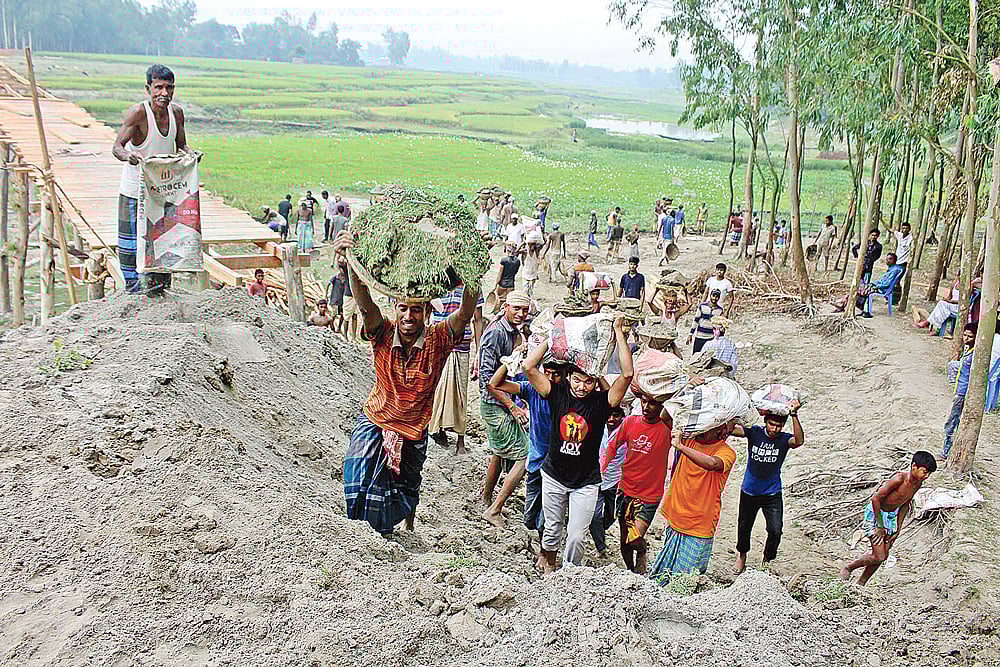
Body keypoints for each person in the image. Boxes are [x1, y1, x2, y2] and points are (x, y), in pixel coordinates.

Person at [333, 230, 483, 536]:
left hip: (414, 427)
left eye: (417, 309)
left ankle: (408, 525)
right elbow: (364, 306)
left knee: (408, 485)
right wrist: (350, 262)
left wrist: (474, 266)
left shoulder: (440, 340)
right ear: (395, 310)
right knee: (356, 472)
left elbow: (466, 312)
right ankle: (358, 531)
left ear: (428, 312)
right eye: (403, 308)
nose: (409, 316)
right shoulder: (383, 333)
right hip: (377, 417)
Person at [523, 317, 634, 573]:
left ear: (595, 382)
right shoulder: (557, 393)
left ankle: (571, 575)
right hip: (553, 475)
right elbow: (529, 367)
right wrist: (553, 336)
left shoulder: (600, 402)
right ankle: (548, 561)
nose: (581, 387)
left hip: (586, 481)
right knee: (551, 529)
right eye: (576, 380)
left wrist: (619, 332)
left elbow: (627, 374)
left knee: (575, 536)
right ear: (568, 376)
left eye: (588, 382)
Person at [113, 64, 190, 294]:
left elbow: (181, 145)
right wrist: (129, 156)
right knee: (132, 245)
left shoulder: (177, 114)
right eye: (158, 88)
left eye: (169, 88)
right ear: (148, 89)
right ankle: (133, 293)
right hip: (135, 191)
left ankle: (159, 290)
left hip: (163, 192)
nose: (164, 94)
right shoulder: (138, 114)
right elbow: (117, 147)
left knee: (163, 242)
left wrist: (190, 155)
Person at [649, 420, 737, 581]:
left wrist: (681, 447)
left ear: (720, 429)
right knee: (665, 573)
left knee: (686, 580)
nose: (701, 428)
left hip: (699, 524)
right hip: (676, 515)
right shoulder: (690, 439)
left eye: (708, 424)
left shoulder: (726, 452)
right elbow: (665, 416)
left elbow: (712, 463)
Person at [489, 358, 567, 540]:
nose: (550, 378)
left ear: (564, 376)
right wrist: (511, 361)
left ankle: (544, 549)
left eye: (556, 375)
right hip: (537, 460)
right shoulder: (532, 389)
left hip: (558, 465)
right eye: (546, 373)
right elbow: (496, 384)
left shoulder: (567, 394)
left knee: (547, 516)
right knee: (530, 516)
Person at [839, 451, 937, 585]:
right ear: (914, 466)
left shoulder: (917, 484)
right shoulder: (899, 479)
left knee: (883, 555)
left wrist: (898, 528)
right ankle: (849, 567)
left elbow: (905, 505)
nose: (926, 476)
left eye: (929, 474)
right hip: (876, 513)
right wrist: (879, 526)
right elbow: (876, 498)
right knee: (879, 555)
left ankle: (861, 583)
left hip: (891, 517)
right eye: (924, 472)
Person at [729, 400, 804, 573]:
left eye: (778, 426)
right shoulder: (754, 432)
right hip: (749, 490)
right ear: (765, 422)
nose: (774, 429)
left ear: (783, 426)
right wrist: (745, 413)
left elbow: (799, 441)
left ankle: (767, 560)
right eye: (771, 424)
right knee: (744, 526)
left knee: (775, 530)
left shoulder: (784, 440)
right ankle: (742, 555)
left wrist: (794, 414)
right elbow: (731, 429)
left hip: (772, 492)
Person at [600, 394, 671, 573]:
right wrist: (602, 466)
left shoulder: (667, 428)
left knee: (634, 537)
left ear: (662, 405)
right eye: (644, 402)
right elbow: (613, 446)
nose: (646, 407)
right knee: (624, 539)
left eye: (653, 403)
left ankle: (642, 549)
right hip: (625, 490)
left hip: (649, 495)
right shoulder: (631, 422)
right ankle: (632, 572)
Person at [479, 291, 532, 527]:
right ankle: (495, 509)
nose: (521, 314)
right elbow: (486, 380)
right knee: (525, 455)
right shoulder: (496, 334)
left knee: (499, 453)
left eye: (524, 310)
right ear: (505, 307)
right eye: (516, 309)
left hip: (501, 401)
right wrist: (513, 406)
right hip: (495, 404)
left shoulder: (513, 332)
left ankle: (486, 497)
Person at [429, 283, 484, 456]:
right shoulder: (437, 281)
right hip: (437, 343)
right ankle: (438, 430)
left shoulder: (473, 285)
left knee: (460, 393)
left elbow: (478, 320)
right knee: (435, 390)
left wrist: (479, 353)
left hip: (461, 345)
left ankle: (461, 439)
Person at [942, 324, 977, 460]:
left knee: (952, 422)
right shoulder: (968, 350)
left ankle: (946, 452)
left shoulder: (974, 355)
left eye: (970, 336)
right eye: (965, 335)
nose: (966, 338)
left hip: (962, 394)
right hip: (959, 391)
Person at [688, 289, 724, 353]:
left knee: (708, 358)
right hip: (699, 336)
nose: (715, 298)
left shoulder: (720, 310)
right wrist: (690, 334)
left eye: (717, 296)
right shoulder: (702, 306)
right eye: (713, 295)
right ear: (710, 295)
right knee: (695, 357)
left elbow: (719, 325)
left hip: (711, 338)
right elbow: (696, 320)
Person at [327, 260, 348, 333]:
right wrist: (325, 294)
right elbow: (328, 284)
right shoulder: (335, 277)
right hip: (335, 299)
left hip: (342, 299)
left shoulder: (346, 278)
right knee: (333, 314)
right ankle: (331, 327)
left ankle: (338, 327)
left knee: (343, 315)